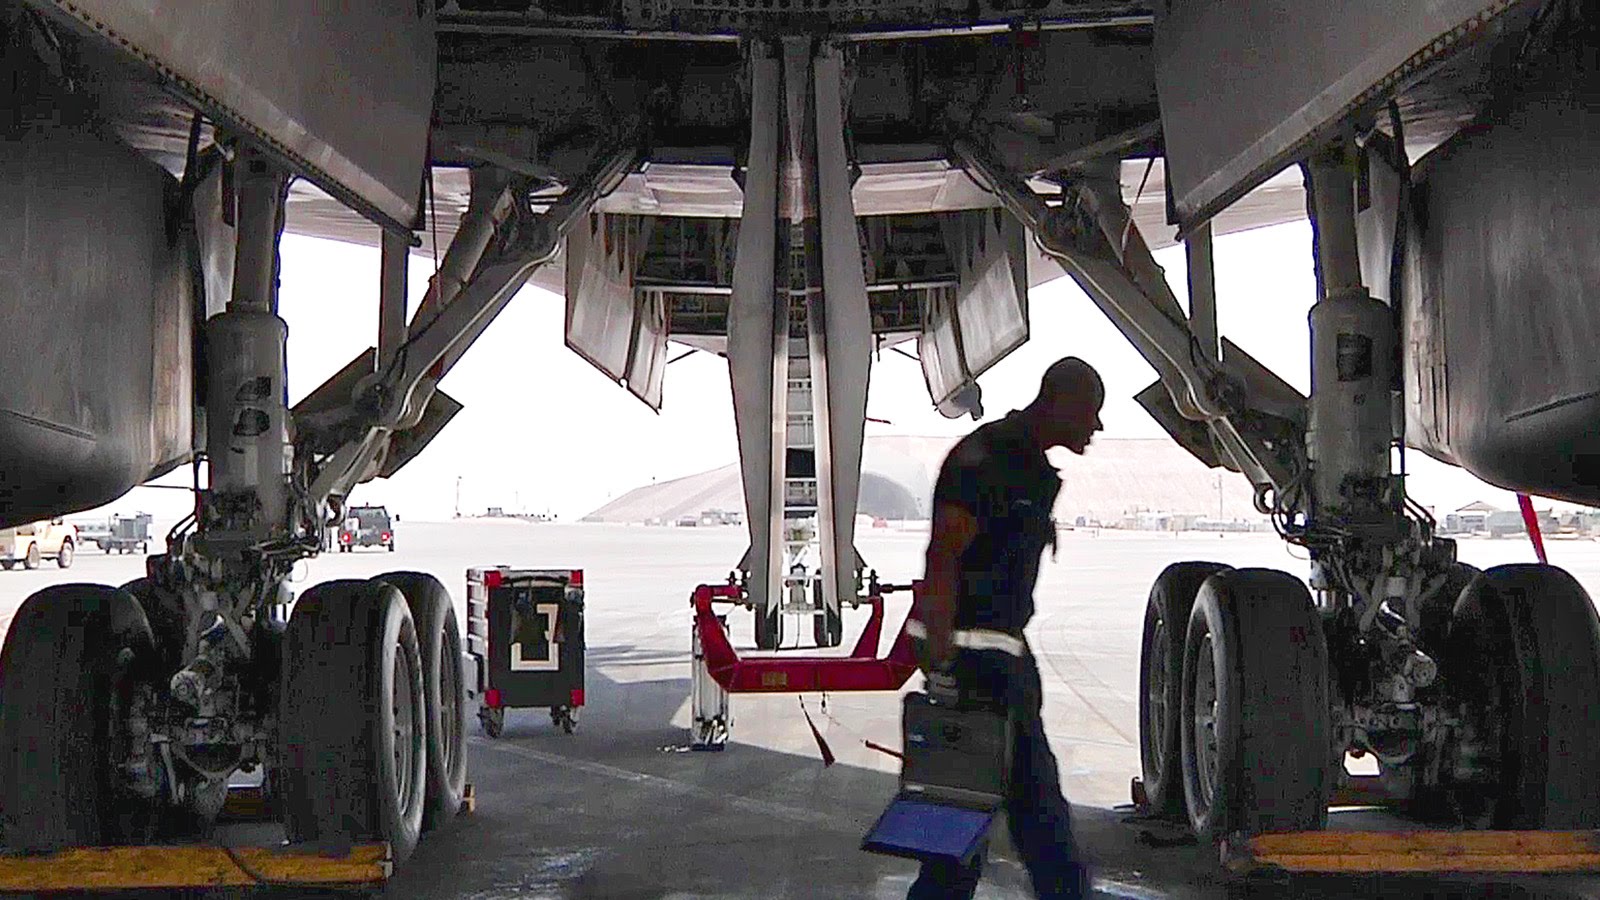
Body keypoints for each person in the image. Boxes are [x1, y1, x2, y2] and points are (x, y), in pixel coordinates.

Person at [906, 357, 1104, 900]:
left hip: (1001, 664)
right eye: (1090, 411)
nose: (1096, 425)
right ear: (1060, 402)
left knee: (974, 826)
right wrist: (942, 667)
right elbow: (943, 555)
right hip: (975, 668)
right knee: (1025, 816)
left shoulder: (1025, 465)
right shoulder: (988, 459)